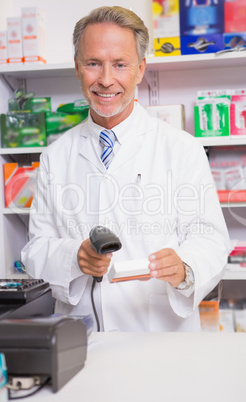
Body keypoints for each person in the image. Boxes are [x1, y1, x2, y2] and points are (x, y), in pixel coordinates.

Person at [21, 6, 230, 332]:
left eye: (120, 64)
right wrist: (73, 256)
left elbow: (211, 241)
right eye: (93, 64)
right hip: (82, 340)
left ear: (140, 69)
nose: (106, 80)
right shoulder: (55, 156)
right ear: (78, 68)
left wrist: (185, 268)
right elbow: (36, 248)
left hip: (160, 340)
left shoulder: (181, 149)